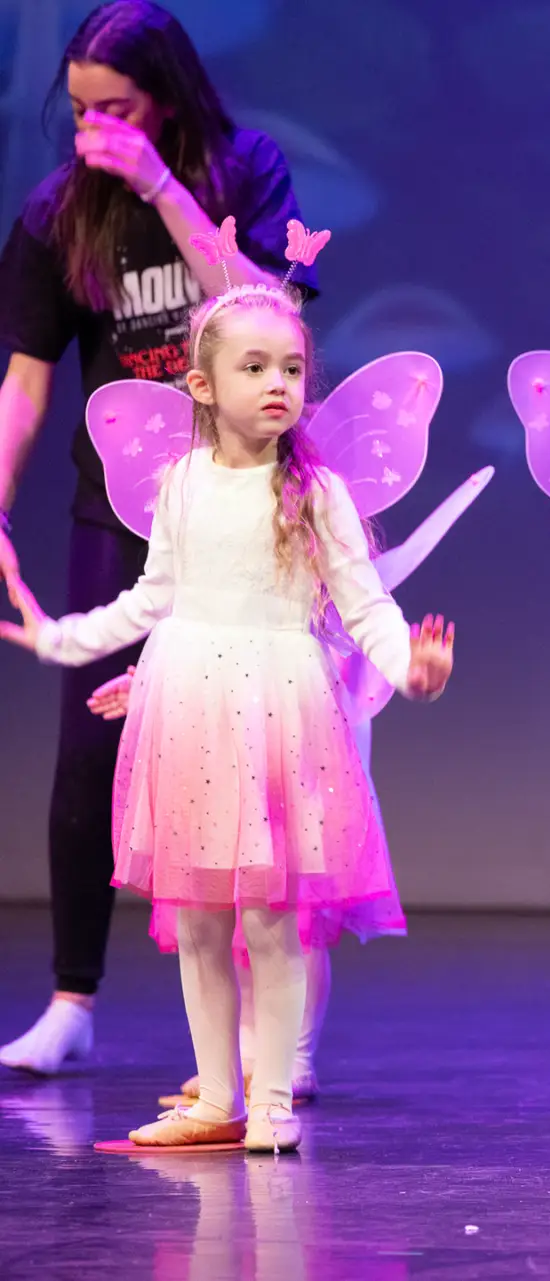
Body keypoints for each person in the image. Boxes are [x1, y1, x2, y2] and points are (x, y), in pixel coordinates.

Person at [0, 0, 313, 1075]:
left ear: (168, 99)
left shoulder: (245, 172)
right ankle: (72, 1001)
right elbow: (26, 384)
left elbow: (266, 314)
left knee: (259, 760)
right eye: (82, 111)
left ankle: (273, 1036)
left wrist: (164, 191)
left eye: (119, 111)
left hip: (250, 510)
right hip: (123, 512)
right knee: (90, 752)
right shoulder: (57, 214)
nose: (97, 132)